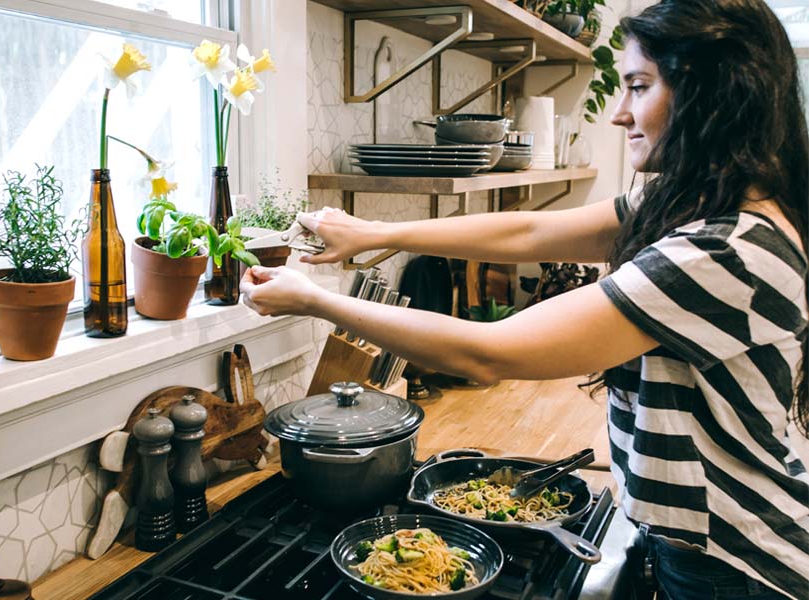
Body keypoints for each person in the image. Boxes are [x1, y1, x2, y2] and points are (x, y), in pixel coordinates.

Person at [241, 1, 809, 598]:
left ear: (713, 96)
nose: (619, 115)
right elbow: (529, 232)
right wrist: (376, 233)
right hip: (700, 541)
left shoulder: (724, 248)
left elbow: (491, 351)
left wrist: (314, 301)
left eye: (639, 87)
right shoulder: (697, 203)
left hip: (737, 564)